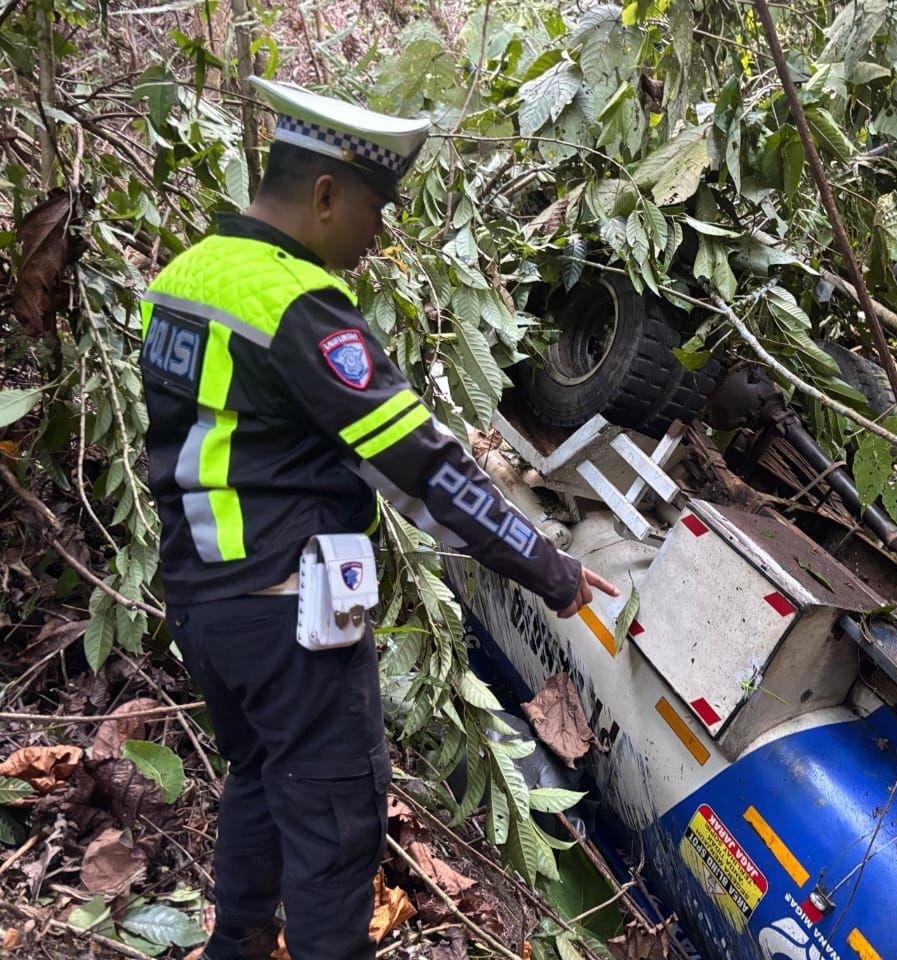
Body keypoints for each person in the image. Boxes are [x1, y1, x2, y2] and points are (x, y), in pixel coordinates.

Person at [137, 78, 618, 960]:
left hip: (204, 608)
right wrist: (553, 570)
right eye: (376, 206)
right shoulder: (298, 304)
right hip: (290, 617)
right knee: (335, 829)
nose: (378, 231)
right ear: (325, 194)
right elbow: (424, 468)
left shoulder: (183, 277)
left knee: (260, 778)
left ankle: (234, 945)